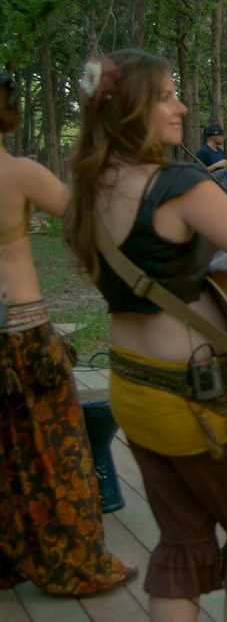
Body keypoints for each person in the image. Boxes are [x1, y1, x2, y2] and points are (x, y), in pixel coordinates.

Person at [63, 50, 227, 621]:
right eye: (168, 95)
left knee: (181, 541)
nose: (182, 106)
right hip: (201, 396)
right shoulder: (178, 184)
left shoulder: (86, 187)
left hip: (132, 388)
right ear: (134, 110)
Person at [0, 69, 136, 597]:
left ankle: (9, 555)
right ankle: (71, 562)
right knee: (53, 447)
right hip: (21, 331)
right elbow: (88, 222)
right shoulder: (19, 172)